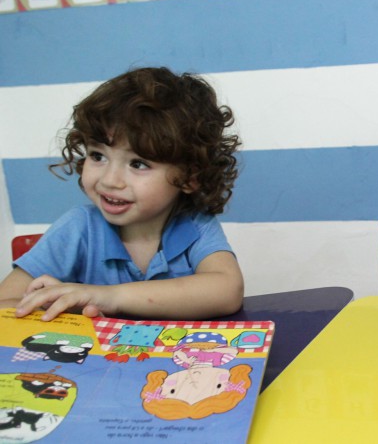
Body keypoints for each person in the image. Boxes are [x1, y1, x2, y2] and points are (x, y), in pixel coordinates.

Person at [0, 67, 244, 321]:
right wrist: (62, 304)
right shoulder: (78, 228)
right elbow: (4, 304)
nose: (110, 180)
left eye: (138, 164)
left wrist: (107, 297)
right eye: (97, 156)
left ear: (190, 177)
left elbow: (227, 290)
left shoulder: (195, 225)